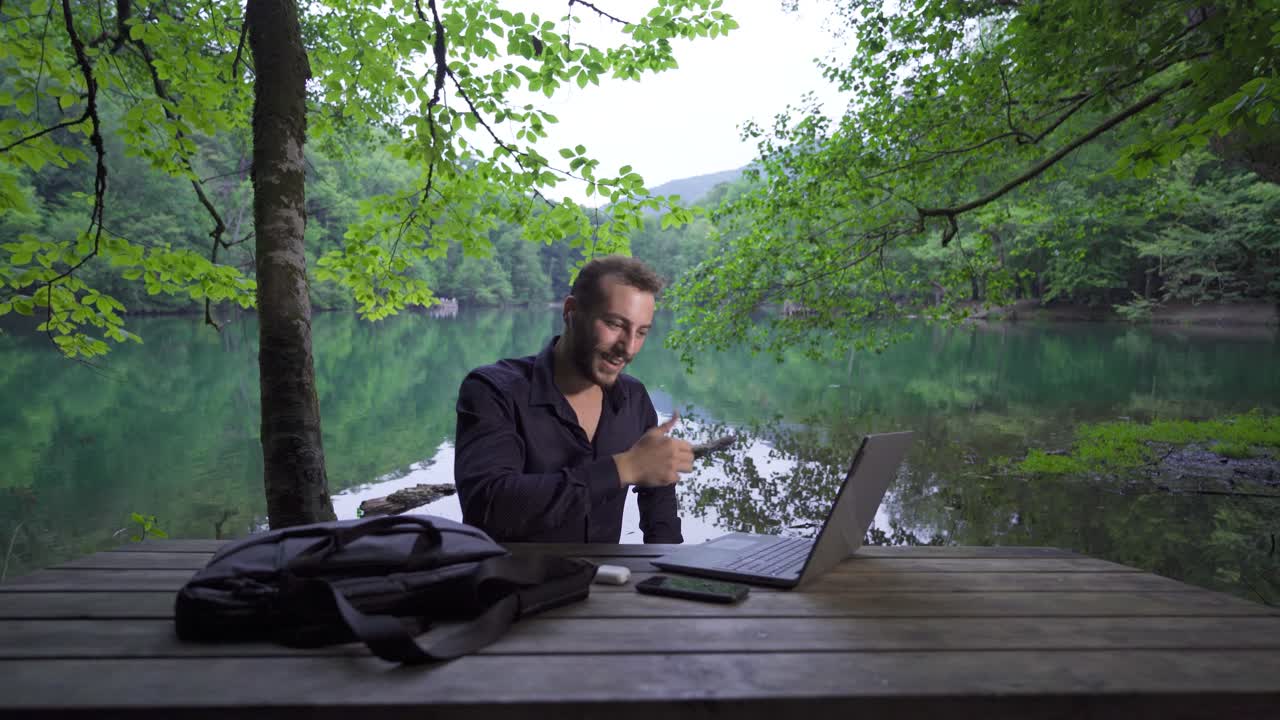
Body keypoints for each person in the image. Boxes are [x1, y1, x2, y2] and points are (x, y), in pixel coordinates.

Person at [452, 255, 691, 543]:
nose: (627, 348)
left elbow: (660, 511)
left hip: (608, 584)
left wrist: (674, 575)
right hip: (512, 584)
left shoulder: (635, 399)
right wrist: (623, 468)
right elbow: (486, 507)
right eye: (615, 324)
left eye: (640, 332)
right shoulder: (493, 390)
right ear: (570, 311)